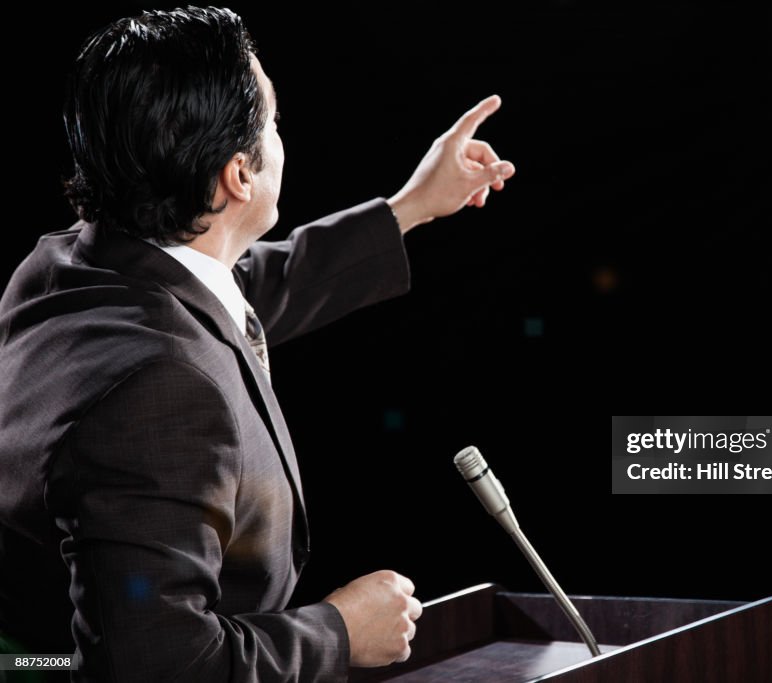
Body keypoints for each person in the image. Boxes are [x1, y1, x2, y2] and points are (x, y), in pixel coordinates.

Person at [0, 6, 514, 681]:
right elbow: (158, 665)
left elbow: (238, 291)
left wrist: (413, 205)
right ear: (239, 175)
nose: (280, 134)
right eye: (273, 122)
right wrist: (338, 632)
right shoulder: (161, 395)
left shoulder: (74, 264)